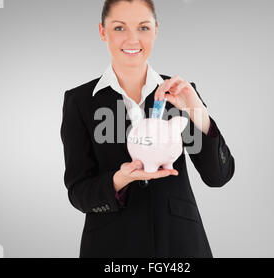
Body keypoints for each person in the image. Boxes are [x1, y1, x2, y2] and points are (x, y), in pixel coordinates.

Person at [60, 0, 235, 258]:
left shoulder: (180, 93)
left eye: (143, 27)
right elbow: (79, 193)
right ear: (102, 31)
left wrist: (197, 109)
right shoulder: (80, 101)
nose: (132, 39)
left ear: (155, 30)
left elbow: (218, 176)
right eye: (119, 28)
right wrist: (121, 179)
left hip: (179, 243)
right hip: (112, 246)